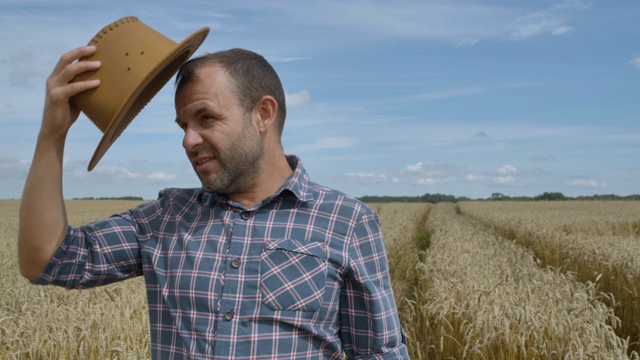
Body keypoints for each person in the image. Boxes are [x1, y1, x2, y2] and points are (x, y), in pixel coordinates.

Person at [18, 45, 409, 359]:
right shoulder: (167, 217)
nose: (188, 140)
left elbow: (378, 353)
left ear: (263, 113)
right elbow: (49, 259)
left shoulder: (347, 222)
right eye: (184, 125)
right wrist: (51, 135)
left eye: (206, 118)